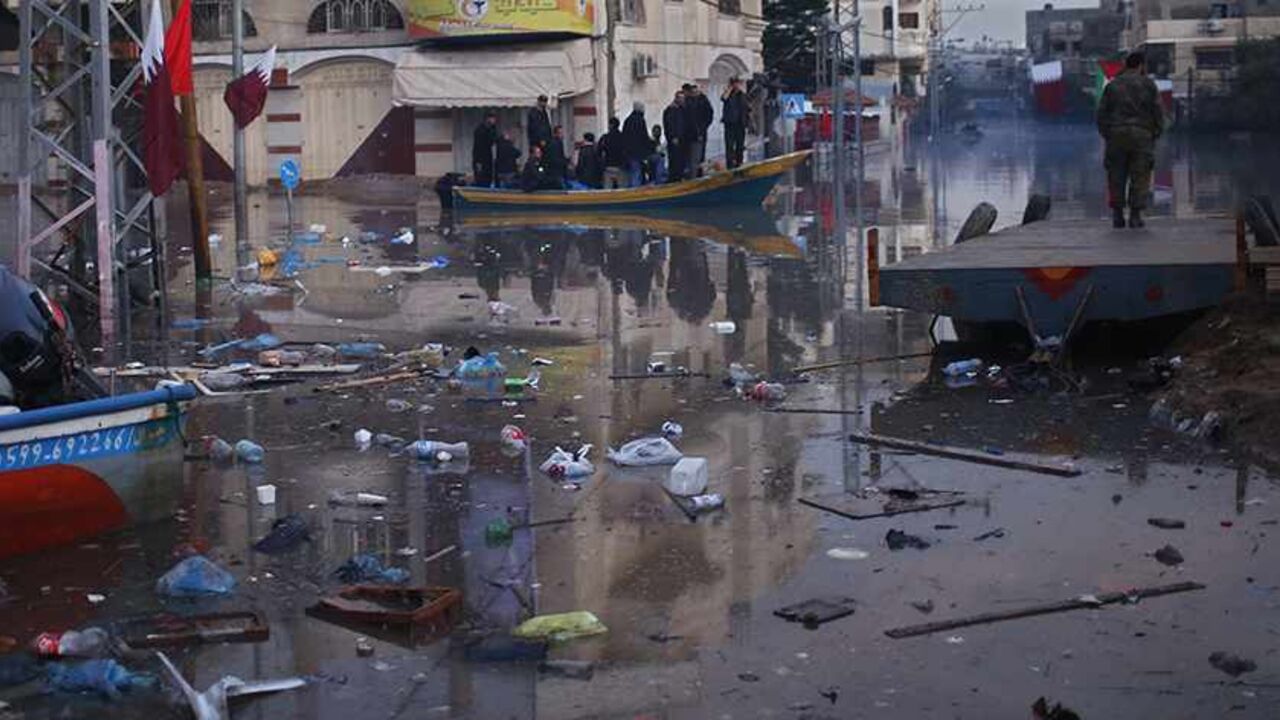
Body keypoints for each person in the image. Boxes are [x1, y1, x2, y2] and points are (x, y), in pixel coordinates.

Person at [1096, 51, 1163, 229]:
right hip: (1142, 135)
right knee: (1140, 175)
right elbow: (1158, 111)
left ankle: (1118, 216)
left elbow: (1101, 114)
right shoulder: (1149, 85)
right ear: (1141, 65)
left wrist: (1107, 134)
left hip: (1116, 135)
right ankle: (1135, 215)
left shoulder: (1113, 86)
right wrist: (1156, 132)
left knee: (1116, 175)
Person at [683, 83, 714, 177]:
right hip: (689, 134)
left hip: (700, 132)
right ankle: (691, 175)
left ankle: (698, 175)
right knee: (690, 156)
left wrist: (703, 127)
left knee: (699, 156)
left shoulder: (703, 101)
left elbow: (709, 115)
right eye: (693, 92)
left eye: (696, 92)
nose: (694, 93)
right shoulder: (687, 102)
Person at [721, 76, 748, 169]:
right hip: (730, 124)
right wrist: (729, 89)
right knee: (729, 146)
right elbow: (723, 98)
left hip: (740, 124)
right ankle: (730, 165)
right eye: (733, 83)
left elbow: (746, 109)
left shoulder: (742, 95)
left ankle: (739, 163)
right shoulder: (728, 94)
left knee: (740, 145)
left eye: (737, 83)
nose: (736, 85)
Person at [622, 101, 649, 187]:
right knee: (636, 171)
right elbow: (644, 136)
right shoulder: (641, 120)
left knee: (632, 172)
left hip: (628, 151)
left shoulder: (627, 120)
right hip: (637, 152)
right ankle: (635, 190)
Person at [663, 90, 687, 182]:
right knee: (674, 161)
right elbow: (669, 125)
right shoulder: (670, 110)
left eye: (683, 98)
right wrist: (673, 137)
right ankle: (674, 179)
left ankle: (679, 178)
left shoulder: (682, 110)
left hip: (682, 140)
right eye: (680, 98)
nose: (682, 100)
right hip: (674, 140)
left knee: (680, 161)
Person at [598, 117, 628, 189]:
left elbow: (599, 151)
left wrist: (602, 164)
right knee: (622, 190)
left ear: (610, 125)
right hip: (621, 166)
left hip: (608, 166)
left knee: (608, 191)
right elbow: (627, 151)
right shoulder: (623, 137)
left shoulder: (605, 138)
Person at [471, 112, 499, 187]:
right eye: (493, 119)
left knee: (487, 176)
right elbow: (480, 145)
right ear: (488, 119)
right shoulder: (481, 130)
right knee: (481, 177)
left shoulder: (491, 128)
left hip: (488, 157)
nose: (495, 121)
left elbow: (494, 139)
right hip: (480, 158)